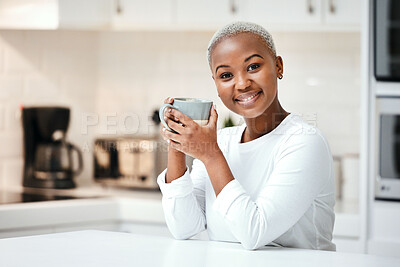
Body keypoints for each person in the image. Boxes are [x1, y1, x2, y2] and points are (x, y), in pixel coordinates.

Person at [157, 21, 335, 251]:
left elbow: (254, 232)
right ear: (216, 84)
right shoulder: (222, 141)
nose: (241, 83)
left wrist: (211, 156)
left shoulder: (304, 141)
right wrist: (176, 144)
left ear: (278, 66)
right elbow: (184, 228)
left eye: (253, 67)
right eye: (226, 75)